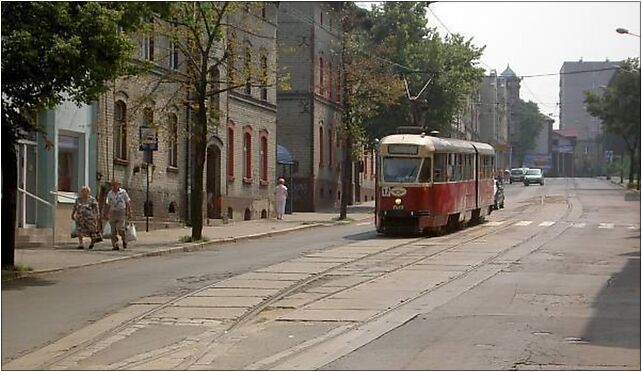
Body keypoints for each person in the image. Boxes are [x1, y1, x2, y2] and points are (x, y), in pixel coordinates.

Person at [103, 179, 131, 250]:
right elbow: (108, 204)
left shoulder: (123, 192)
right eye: (112, 185)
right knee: (113, 230)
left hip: (121, 211)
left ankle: (124, 239)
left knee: (120, 228)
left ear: (119, 185)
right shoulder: (110, 193)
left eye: (115, 185)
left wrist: (129, 212)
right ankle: (115, 245)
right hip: (113, 212)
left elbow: (127, 202)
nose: (114, 186)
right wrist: (105, 213)